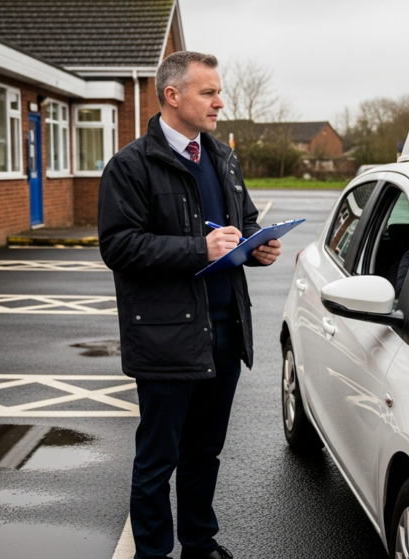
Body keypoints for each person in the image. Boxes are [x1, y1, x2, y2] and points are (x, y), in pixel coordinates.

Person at [98, 51, 281, 559]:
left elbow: (240, 223)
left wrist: (258, 247)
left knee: (205, 452)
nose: (220, 102)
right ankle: (152, 553)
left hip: (224, 331)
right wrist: (198, 250)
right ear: (172, 96)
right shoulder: (131, 166)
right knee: (158, 458)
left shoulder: (222, 157)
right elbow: (119, 246)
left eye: (219, 91)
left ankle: (200, 544)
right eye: (208, 92)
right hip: (166, 336)